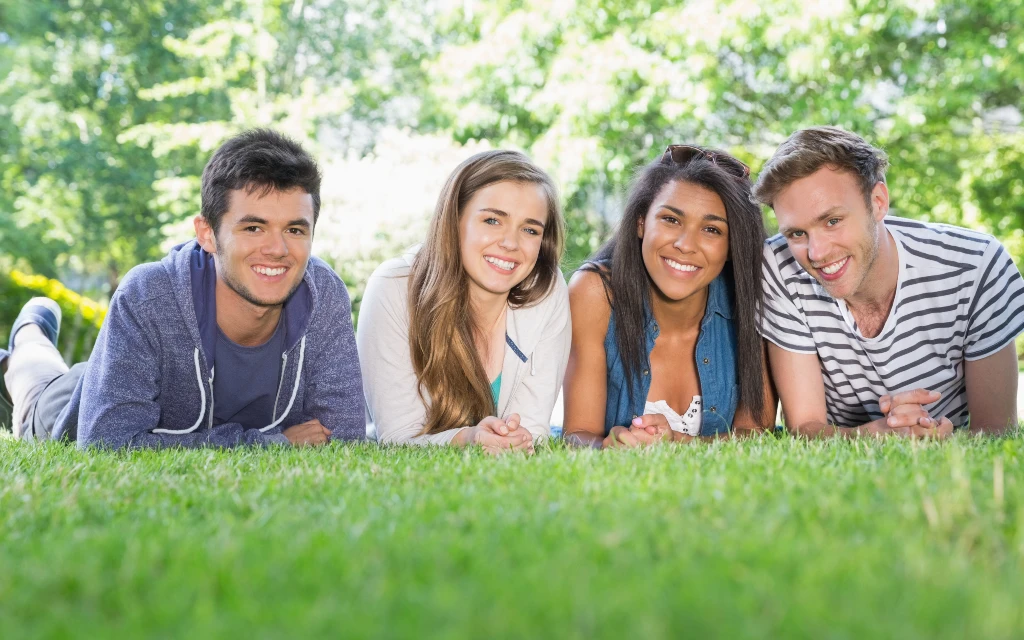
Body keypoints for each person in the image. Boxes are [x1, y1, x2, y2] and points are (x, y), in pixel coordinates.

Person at [0, 128, 365, 448]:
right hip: (72, 402)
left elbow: (343, 436)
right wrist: (271, 443)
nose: (278, 249)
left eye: (295, 229)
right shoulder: (148, 296)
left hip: (123, 378)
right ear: (207, 233)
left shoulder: (323, 295)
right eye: (253, 228)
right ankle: (27, 337)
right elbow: (108, 443)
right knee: (32, 387)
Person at [753, 126, 1024, 437]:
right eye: (797, 233)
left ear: (878, 202)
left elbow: (996, 434)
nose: (816, 253)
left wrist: (939, 437)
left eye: (832, 221)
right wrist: (881, 433)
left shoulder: (976, 265)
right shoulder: (778, 265)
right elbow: (805, 429)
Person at [563, 145, 776, 448]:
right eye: (671, 220)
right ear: (641, 222)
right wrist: (608, 446)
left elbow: (756, 433)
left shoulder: (754, 298)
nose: (685, 245)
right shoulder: (594, 292)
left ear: (733, 246)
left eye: (712, 229)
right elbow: (577, 433)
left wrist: (679, 442)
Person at [357, 150, 569, 454]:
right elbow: (398, 437)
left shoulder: (546, 288)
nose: (511, 243)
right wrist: (467, 439)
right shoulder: (392, 287)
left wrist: (511, 439)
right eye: (493, 220)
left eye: (530, 229)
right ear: (454, 220)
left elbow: (531, 433)